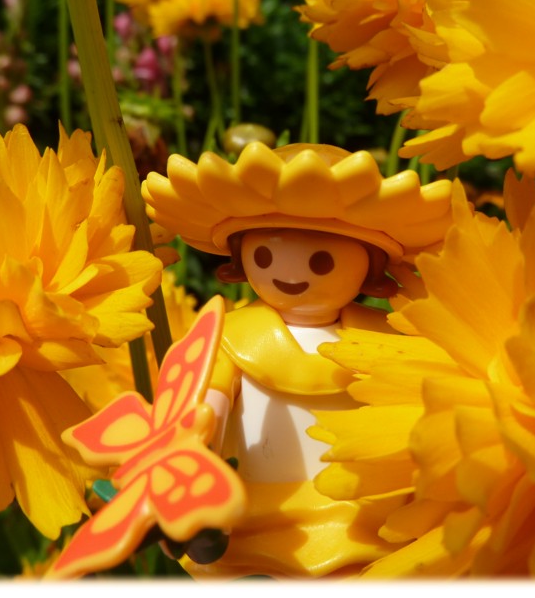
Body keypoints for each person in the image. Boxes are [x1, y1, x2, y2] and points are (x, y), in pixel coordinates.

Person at [141, 142, 452, 578]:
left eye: (322, 261)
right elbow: (206, 407)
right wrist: (194, 454)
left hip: (362, 516)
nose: (289, 274)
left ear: (369, 267)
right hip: (254, 517)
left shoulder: (387, 341)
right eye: (264, 256)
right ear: (240, 258)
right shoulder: (228, 338)